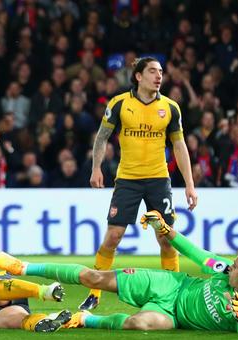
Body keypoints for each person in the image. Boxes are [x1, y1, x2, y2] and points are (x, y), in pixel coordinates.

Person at [0, 210, 238, 333]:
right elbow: (197, 253)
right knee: (94, 277)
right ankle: (22, 266)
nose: (229, 265)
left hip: (173, 316)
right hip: (172, 286)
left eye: (236, 266)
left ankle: (83, 319)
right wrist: (165, 229)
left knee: (138, 324)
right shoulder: (223, 272)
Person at [82, 56, 198, 311]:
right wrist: (96, 168)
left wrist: (189, 183)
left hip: (158, 180)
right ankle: (95, 293)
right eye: (153, 72)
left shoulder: (170, 107)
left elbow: (179, 145)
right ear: (138, 76)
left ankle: (173, 292)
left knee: (166, 239)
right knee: (113, 236)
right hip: (128, 180)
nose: (159, 76)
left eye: (161, 72)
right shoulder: (120, 103)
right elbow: (102, 137)